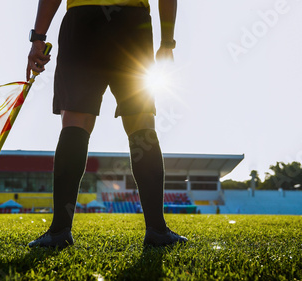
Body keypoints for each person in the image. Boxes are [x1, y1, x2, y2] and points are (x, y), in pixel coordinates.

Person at [27, 0, 187, 249]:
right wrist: (167, 42)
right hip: (131, 22)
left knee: (76, 121)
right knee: (140, 120)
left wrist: (38, 37)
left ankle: (59, 231)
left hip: (83, 21)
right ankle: (157, 230)